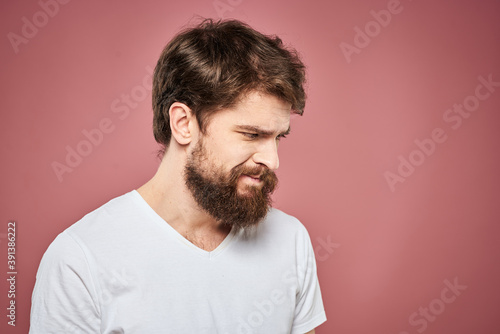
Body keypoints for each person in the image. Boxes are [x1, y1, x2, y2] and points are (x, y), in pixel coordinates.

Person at [29, 18, 326, 333]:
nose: (273, 160)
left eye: (278, 137)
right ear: (184, 123)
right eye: (251, 135)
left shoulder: (290, 240)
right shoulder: (80, 259)